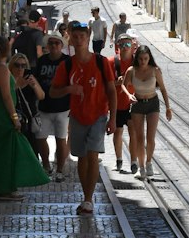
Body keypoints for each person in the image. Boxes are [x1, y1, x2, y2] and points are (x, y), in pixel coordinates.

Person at [55, 19, 116, 215]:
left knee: (92, 155)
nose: (79, 40)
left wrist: (113, 118)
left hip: (98, 115)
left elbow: (111, 90)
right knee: (81, 158)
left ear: (89, 38)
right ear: (70, 40)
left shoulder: (101, 62)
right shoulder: (66, 66)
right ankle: (86, 195)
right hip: (77, 117)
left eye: (83, 36)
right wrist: (69, 89)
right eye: (75, 37)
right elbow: (53, 93)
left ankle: (89, 200)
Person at [0, 36, 49, 200]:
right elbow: (7, 97)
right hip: (3, 115)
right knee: (7, 153)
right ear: (5, 49)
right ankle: (6, 190)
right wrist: (15, 118)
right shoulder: (3, 69)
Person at [124, 44, 172, 180]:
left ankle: (149, 162)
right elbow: (124, 84)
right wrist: (128, 94)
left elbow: (163, 89)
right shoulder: (131, 70)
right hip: (137, 104)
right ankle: (141, 167)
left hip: (152, 103)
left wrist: (168, 108)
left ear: (149, 58)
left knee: (150, 137)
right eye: (140, 59)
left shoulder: (155, 71)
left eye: (145, 59)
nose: (143, 62)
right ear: (137, 59)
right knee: (139, 138)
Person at [33, 34, 72, 179]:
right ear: (47, 46)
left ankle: (60, 170)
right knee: (40, 137)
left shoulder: (68, 62)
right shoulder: (42, 61)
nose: (54, 45)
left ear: (62, 46)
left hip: (63, 108)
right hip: (44, 106)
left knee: (61, 139)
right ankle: (46, 166)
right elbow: (36, 79)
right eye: (51, 43)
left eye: (57, 43)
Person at [9, 53, 45, 159]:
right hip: (15, 120)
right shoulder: (8, 79)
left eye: (23, 65)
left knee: (32, 151)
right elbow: (7, 96)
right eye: (17, 65)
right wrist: (19, 85)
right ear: (12, 66)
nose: (20, 68)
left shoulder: (29, 77)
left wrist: (34, 86)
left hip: (29, 121)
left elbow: (41, 96)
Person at [112, 36, 137, 173]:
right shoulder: (112, 62)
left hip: (133, 103)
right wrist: (116, 82)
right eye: (121, 44)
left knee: (133, 131)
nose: (124, 47)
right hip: (117, 103)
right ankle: (119, 160)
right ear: (117, 46)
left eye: (127, 44)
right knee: (118, 132)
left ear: (132, 46)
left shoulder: (137, 62)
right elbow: (106, 84)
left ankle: (134, 162)